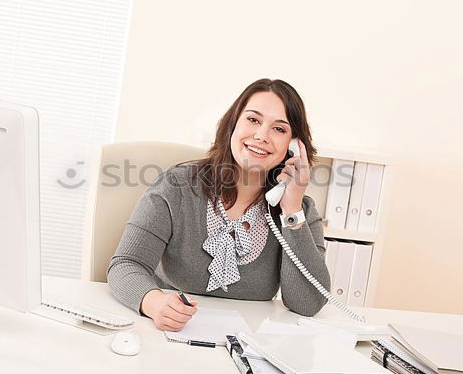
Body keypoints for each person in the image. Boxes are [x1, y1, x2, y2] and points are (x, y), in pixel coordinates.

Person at [107, 78, 330, 331]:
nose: (261, 136)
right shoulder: (177, 186)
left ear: (294, 147)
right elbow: (126, 264)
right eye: (253, 120)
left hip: (246, 348)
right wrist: (155, 303)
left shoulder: (300, 210)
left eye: (279, 129)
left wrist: (291, 212)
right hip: (169, 335)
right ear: (232, 124)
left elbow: (308, 303)